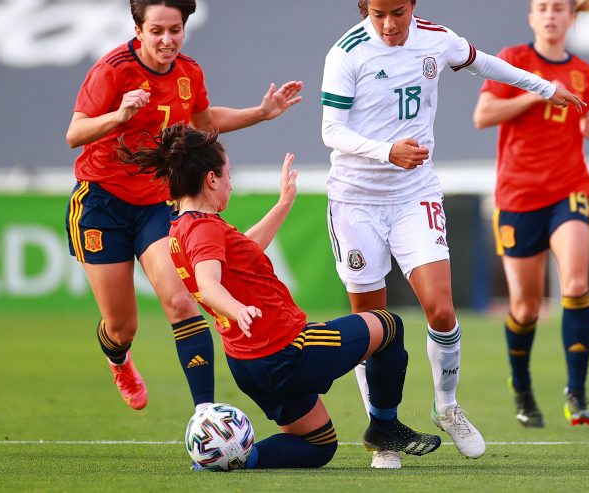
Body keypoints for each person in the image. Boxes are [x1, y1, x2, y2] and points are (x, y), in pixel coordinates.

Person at [320, 0, 585, 467]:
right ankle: (383, 430)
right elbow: (332, 131)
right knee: (372, 323)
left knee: (441, 308)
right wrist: (387, 150)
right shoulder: (346, 53)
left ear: (414, 6)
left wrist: (545, 87)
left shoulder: (436, 40)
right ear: (365, 10)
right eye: (378, 15)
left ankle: (447, 406)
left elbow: (486, 63)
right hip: (355, 200)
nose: (389, 24)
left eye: (398, 13)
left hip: (414, 194)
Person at [118, 123, 441, 470]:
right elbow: (208, 285)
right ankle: (384, 429)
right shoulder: (204, 228)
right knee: (389, 326)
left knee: (319, 445)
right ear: (211, 179)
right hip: (287, 351)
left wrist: (284, 203)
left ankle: (239, 459)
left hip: (249, 364)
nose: (230, 184)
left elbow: (245, 252)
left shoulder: (183, 226)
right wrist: (238, 309)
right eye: (228, 175)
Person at [64, 0, 303, 413]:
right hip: (101, 203)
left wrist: (261, 113)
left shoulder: (189, 72)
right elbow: (74, 134)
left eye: (175, 30)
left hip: (157, 203)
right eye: (156, 30)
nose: (167, 39)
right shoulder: (112, 70)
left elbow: (204, 121)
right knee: (122, 327)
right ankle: (119, 360)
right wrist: (119, 115)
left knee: (181, 300)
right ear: (138, 30)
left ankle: (205, 414)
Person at [472, 0, 589, 428]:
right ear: (531, 17)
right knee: (526, 308)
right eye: (542, 8)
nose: (550, 15)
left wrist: (587, 123)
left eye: (558, 8)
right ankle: (522, 388)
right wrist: (537, 92)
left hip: (569, 188)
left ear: (571, 18)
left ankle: (577, 391)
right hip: (519, 195)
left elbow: (571, 118)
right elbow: (483, 116)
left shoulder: (584, 71)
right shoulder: (513, 59)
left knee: (576, 283)